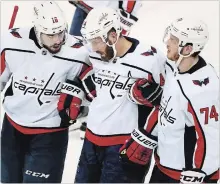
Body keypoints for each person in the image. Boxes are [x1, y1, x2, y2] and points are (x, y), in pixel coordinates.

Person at [120, 17, 219, 183]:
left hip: (183, 175)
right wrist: (145, 135)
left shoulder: (203, 89)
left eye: (173, 40)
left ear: (187, 49)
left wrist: (198, 174)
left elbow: (210, 136)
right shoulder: (175, 68)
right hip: (164, 165)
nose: (167, 43)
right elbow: (165, 107)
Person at [74, 7, 167, 183]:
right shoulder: (93, 54)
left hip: (125, 147)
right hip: (90, 142)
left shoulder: (150, 59)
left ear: (113, 35)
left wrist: (150, 135)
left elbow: (169, 102)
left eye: (96, 41)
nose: (92, 48)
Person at [0, 1, 90, 183]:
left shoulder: (80, 52)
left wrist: (82, 108)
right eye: (50, 35)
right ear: (38, 30)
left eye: (60, 32)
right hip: (12, 128)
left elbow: (91, 94)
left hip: (51, 133)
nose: (57, 39)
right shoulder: (11, 42)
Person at [68, 0, 142, 36]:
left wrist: (121, 24)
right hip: (83, 8)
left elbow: (131, 6)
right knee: (76, 47)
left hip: (106, 19)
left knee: (105, 56)